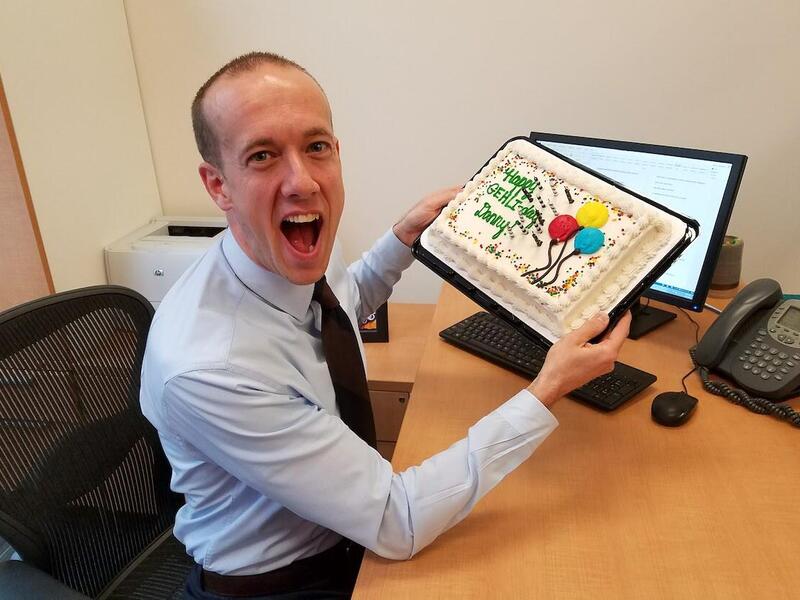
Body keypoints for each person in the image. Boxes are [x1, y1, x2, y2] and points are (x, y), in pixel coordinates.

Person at [139, 51, 632, 599]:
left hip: (352, 532)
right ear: (218, 186)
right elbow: (397, 523)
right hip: (283, 585)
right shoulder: (210, 366)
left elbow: (340, 308)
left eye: (316, 147)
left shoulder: (293, 246)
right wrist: (548, 389)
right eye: (262, 156)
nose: (301, 181)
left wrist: (404, 238)